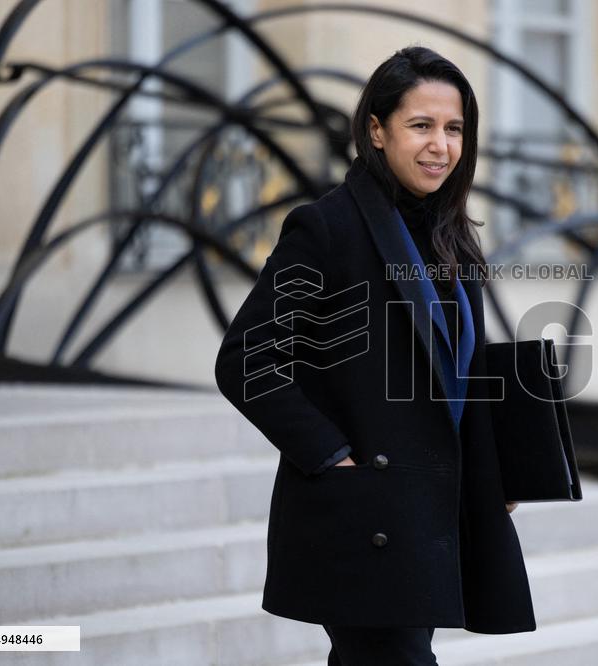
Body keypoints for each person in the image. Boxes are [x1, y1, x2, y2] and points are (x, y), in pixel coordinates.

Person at [214, 45, 535, 666]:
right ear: (377, 131)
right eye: (421, 126)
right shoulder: (327, 229)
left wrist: (501, 466)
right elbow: (247, 359)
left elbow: (458, 369)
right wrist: (331, 456)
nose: (440, 145)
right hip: (364, 519)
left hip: (427, 516)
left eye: (454, 129)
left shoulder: (451, 237)